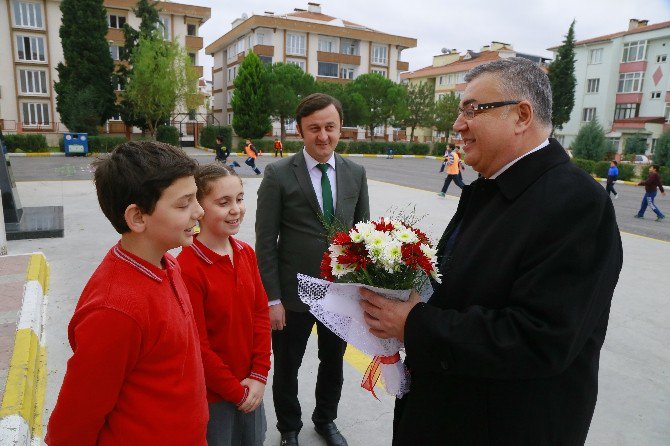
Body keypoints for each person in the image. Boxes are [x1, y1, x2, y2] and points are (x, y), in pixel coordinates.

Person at [359, 57, 623, 445]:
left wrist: (414, 324)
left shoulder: (575, 203)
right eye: (459, 110)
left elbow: (541, 338)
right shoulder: (491, 187)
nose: (458, 124)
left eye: (472, 109)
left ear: (521, 115)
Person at [46, 141, 208, 445]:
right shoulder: (115, 310)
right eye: (184, 204)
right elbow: (71, 425)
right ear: (137, 218)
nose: (199, 211)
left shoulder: (167, 263)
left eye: (196, 198)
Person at [255, 93, 370, 446]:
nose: (323, 136)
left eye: (330, 127)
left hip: (340, 293)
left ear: (340, 129)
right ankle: (289, 428)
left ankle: (326, 420)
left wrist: (365, 287)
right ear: (299, 131)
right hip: (293, 294)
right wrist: (272, 298)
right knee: (287, 367)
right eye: (314, 128)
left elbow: (363, 233)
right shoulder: (277, 174)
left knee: (333, 362)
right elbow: (265, 241)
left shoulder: (355, 172)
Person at [178, 163, 272, 446]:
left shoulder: (245, 253)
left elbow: (260, 314)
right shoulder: (187, 267)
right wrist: (236, 391)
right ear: (198, 208)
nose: (236, 209)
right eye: (223, 202)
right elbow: (197, 345)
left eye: (239, 199)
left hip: (251, 388)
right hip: (214, 397)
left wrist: (259, 375)